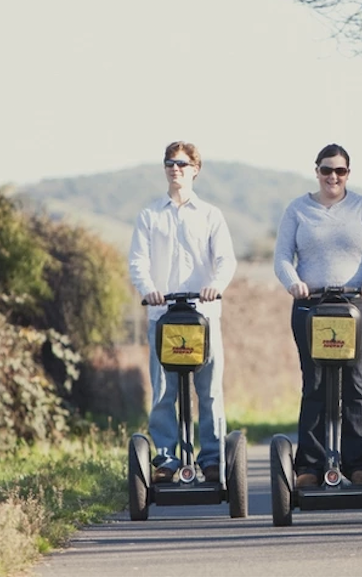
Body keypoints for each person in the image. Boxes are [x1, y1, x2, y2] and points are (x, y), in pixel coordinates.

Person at [273, 143, 362, 488]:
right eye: (327, 170)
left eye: (340, 171)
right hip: (312, 304)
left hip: (358, 304)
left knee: (356, 383)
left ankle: (358, 463)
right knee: (315, 382)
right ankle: (309, 465)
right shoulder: (298, 209)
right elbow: (282, 256)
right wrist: (293, 283)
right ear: (317, 171)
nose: (333, 177)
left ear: (348, 174)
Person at [128, 141, 237, 484]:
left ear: (195, 170)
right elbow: (138, 261)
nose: (174, 169)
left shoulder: (210, 215)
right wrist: (148, 290)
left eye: (181, 164)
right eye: (169, 163)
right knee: (163, 391)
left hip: (203, 317)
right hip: (163, 318)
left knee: (209, 391)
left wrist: (215, 285)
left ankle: (211, 459)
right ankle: (165, 458)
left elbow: (225, 260)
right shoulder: (150, 215)